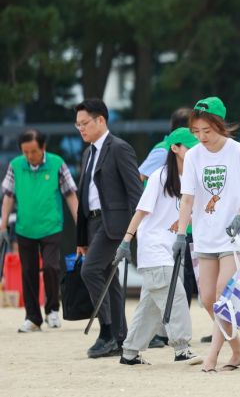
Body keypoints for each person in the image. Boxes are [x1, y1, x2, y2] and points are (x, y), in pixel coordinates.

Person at [174, 96, 240, 373]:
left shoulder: (239, 152)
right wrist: (180, 232)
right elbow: (187, 199)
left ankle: (212, 357)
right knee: (208, 299)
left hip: (234, 238)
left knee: (223, 295)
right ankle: (239, 352)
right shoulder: (193, 156)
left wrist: (239, 216)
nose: (201, 137)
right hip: (204, 236)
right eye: (196, 132)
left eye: (206, 131)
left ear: (220, 125)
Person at [113, 128, 201, 366]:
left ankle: (129, 353)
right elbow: (141, 211)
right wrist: (126, 241)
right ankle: (182, 348)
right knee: (176, 296)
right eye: (189, 146)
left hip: (172, 250)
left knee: (150, 308)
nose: (195, 150)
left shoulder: (191, 180)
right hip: (154, 249)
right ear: (175, 148)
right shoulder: (159, 177)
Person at [75, 99, 143, 358]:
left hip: (113, 224)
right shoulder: (88, 152)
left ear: (100, 120)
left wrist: (134, 230)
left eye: (84, 123)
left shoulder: (119, 148)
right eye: (77, 125)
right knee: (109, 280)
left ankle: (106, 330)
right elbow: (84, 196)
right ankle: (119, 336)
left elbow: (135, 193)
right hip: (92, 224)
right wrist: (82, 237)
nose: (80, 129)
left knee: (90, 271)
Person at [0, 129, 78, 332]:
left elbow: (70, 194)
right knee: (28, 272)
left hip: (51, 225)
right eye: (25, 152)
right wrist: (3, 224)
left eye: (33, 151)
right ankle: (33, 317)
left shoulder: (57, 164)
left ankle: (52, 309)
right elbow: (8, 195)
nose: (29, 156)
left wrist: (81, 224)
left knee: (51, 267)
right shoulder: (16, 165)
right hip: (25, 228)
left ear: (43, 148)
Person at [138, 106, 196, 348]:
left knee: (183, 283)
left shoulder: (194, 153)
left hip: (185, 227)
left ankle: (144, 341)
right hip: (165, 233)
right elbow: (143, 176)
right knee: (173, 286)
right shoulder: (161, 152)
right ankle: (172, 338)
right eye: (194, 129)